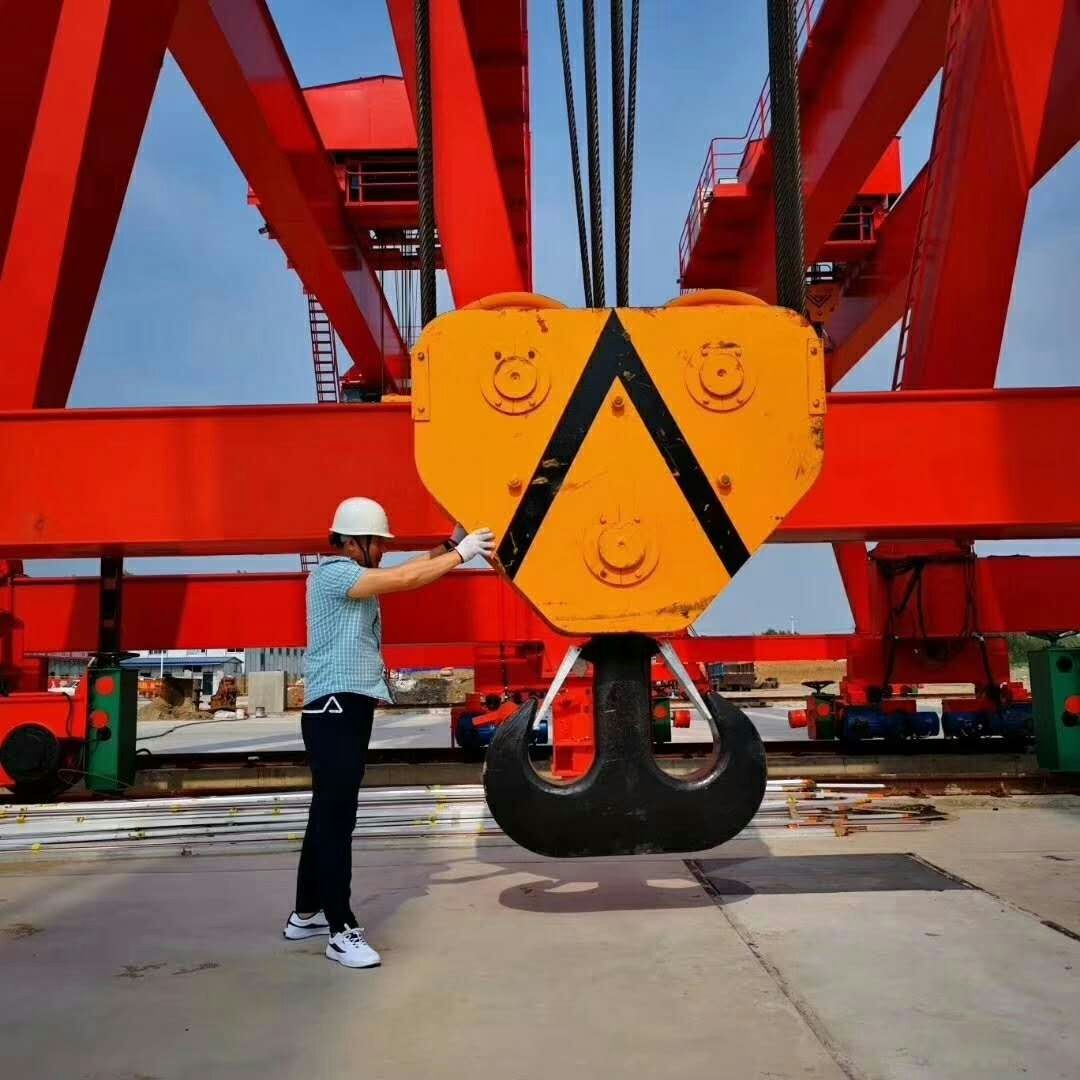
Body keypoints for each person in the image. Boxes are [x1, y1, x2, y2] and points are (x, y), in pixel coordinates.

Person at [282, 496, 495, 968]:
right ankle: (341, 930)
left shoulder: (357, 575)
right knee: (338, 820)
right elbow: (404, 579)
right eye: (377, 542)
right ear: (353, 541)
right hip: (335, 708)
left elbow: (409, 567)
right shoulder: (333, 574)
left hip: (342, 708)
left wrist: (452, 543)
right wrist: (463, 557)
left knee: (325, 814)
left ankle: (304, 914)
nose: (382, 550)